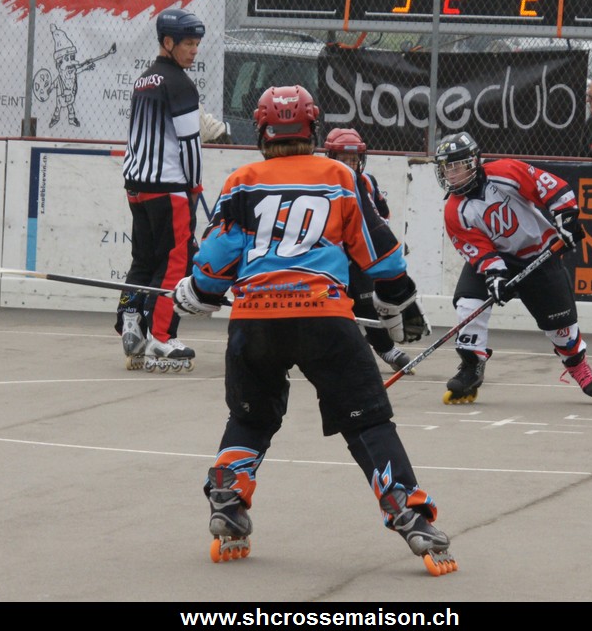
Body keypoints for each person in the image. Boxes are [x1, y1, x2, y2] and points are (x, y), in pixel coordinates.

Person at [172, 84, 456, 576]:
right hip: (324, 318)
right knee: (367, 421)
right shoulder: (340, 177)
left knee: (250, 418)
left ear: (262, 131)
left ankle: (228, 499)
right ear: (313, 127)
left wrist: (193, 292)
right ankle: (408, 513)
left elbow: (214, 267)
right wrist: (396, 299)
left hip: (256, 319)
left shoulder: (241, 181)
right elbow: (382, 256)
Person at [433, 131, 592, 406]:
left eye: (456, 166)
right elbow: (478, 250)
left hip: (539, 253)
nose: (451, 174)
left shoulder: (504, 172)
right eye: (446, 168)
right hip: (499, 258)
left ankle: (577, 365)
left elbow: (549, 186)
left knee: (561, 327)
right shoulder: (454, 211)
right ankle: (472, 365)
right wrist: (495, 276)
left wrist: (566, 217)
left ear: (474, 162)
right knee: (468, 304)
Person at [116, 8, 206, 372]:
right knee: (175, 262)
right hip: (168, 187)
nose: (194, 51)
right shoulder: (180, 84)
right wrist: (195, 187)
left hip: (136, 185)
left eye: (197, 44)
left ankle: (131, 323)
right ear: (167, 42)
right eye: (188, 43)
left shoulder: (144, 81)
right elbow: (190, 145)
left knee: (144, 259)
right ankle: (162, 337)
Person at [322, 126, 429, 373]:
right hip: (328, 256)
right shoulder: (321, 184)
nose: (349, 164)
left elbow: (382, 216)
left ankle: (386, 348)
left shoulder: (368, 182)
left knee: (367, 300)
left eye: (353, 159)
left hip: (358, 255)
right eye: (343, 159)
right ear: (331, 158)